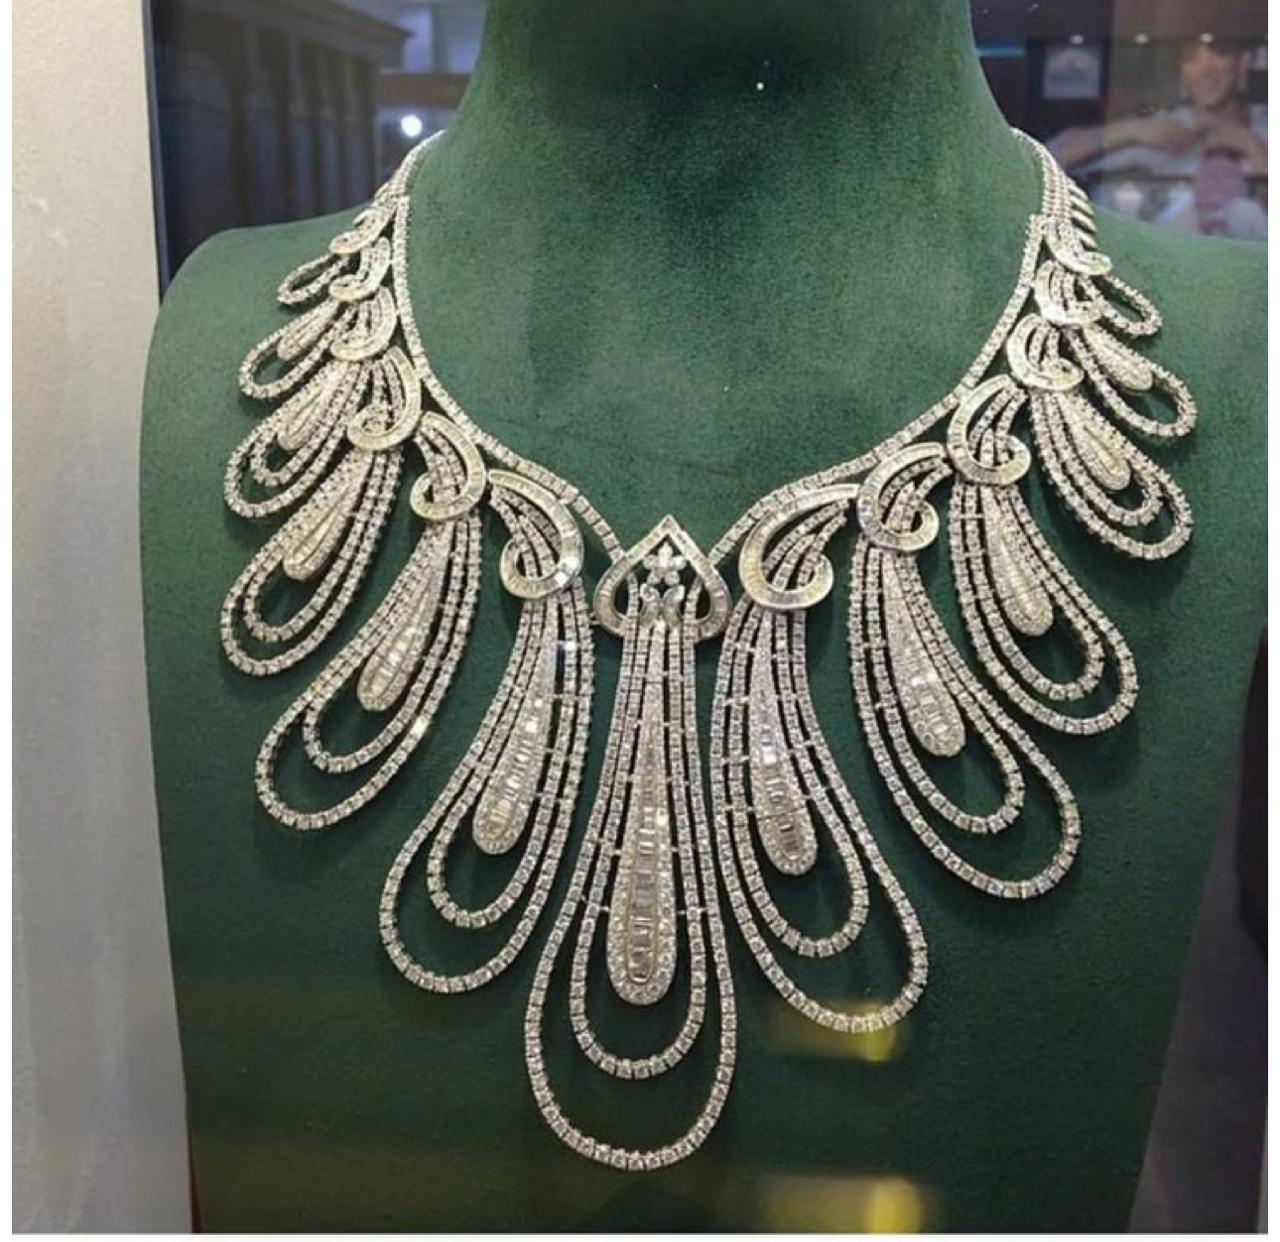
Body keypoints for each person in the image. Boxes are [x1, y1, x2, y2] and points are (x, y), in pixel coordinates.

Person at [1050, 38, 1266, 239]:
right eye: (1191, 56)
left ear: (1243, 61)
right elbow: (1051, 156)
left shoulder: (1264, 128)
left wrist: (1252, 148)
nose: (1205, 70)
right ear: (1180, 70)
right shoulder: (1163, 129)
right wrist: (1130, 130)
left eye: (1220, 52)